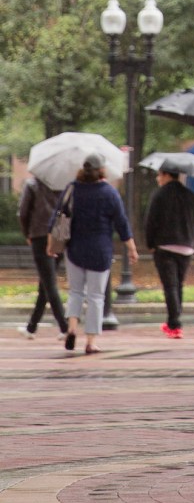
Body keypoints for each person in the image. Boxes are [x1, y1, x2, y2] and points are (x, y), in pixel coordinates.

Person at [48, 151, 138, 355]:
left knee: (75, 292)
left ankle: (71, 328)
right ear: (102, 170)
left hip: (75, 249)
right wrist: (131, 247)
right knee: (96, 296)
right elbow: (121, 222)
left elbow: (56, 216)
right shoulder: (109, 192)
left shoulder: (72, 189)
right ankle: (91, 341)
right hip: (100, 250)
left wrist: (50, 243)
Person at [144, 158, 194, 339]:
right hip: (186, 247)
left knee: (170, 286)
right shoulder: (190, 195)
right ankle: (175, 320)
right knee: (178, 284)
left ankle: (175, 324)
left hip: (164, 246)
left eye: (159, 175)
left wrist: (150, 244)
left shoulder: (159, 194)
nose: (157, 179)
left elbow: (150, 221)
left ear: (166, 175)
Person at [17, 175, 69, 339]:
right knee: (45, 283)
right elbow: (67, 210)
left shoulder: (32, 184)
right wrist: (63, 235)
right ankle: (31, 327)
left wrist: (27, 233)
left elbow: (23, 212)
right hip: (59, 234)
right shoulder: (64, 184)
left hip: (39, 234)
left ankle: (65, 327)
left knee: (49, 282)